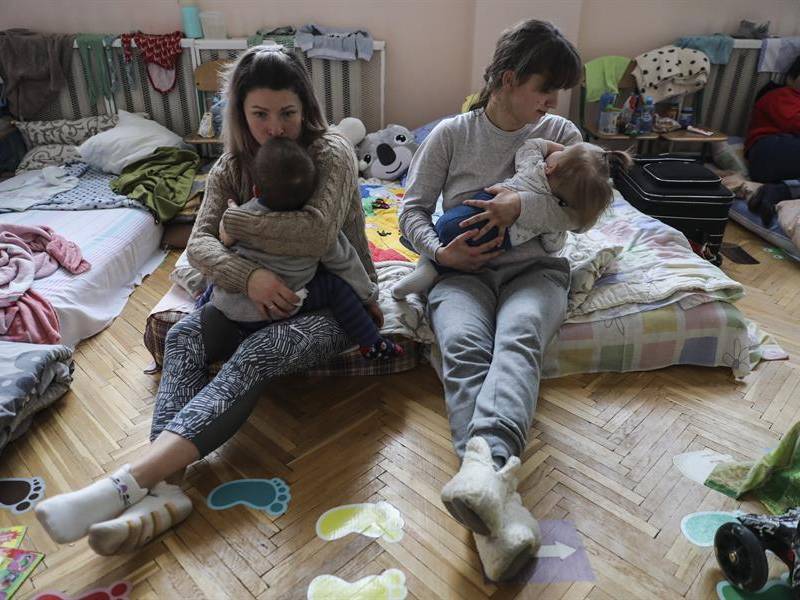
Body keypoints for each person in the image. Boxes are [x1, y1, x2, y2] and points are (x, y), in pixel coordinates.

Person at [35, 46, 379, 555]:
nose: (275, 128)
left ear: (305, 108)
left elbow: (314, 234)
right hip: (247, 298)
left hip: (333, 302)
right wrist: (252, 277)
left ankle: (128, 484)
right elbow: (197, 246)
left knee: (258, 353)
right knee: (184, 334)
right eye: (259, 114)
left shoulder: (331, 152)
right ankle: (165, 493)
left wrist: (235, 227)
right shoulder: (229, 166)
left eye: (287, 113)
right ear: (240, 111)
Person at [399, 19, 583, 581]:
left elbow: (581, 211)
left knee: (520, 338)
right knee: (462, 347)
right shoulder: (452, 135)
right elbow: (411, 211)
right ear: (508, 79)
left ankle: (486, 480)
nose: (550, 103)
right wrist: (441, 254)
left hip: (535, 270)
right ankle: (499, 508)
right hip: (463, 273)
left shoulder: (562, 134)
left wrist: (519, 209)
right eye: (542, 89)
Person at [201, 136, 403, 360]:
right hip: (287, 303)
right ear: (313, 193)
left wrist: (231, 214)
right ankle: (372, 342)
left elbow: (223, 244)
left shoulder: (241, 217)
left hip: (233, 306)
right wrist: (368, 297)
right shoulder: (315, 230)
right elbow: (347, 264)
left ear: (256, 190)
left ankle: (202, 310)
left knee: (219, 273)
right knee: (335, 287)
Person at [393, 138, 630, 298]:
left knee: (444, 234)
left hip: (469, 212)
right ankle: (431, 269)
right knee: (475, 254)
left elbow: (530, 145)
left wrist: (558, 151)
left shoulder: (534, 169)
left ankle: (429, 261)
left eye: (562, 152)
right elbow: (552, 246)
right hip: (497, 241)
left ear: (551, 167)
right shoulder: (558, 216)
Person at [745, 54, 800, 225]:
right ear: (792, 78)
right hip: (769, 151)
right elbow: (795, 122)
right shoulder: (781, 94)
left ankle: (778, 192)